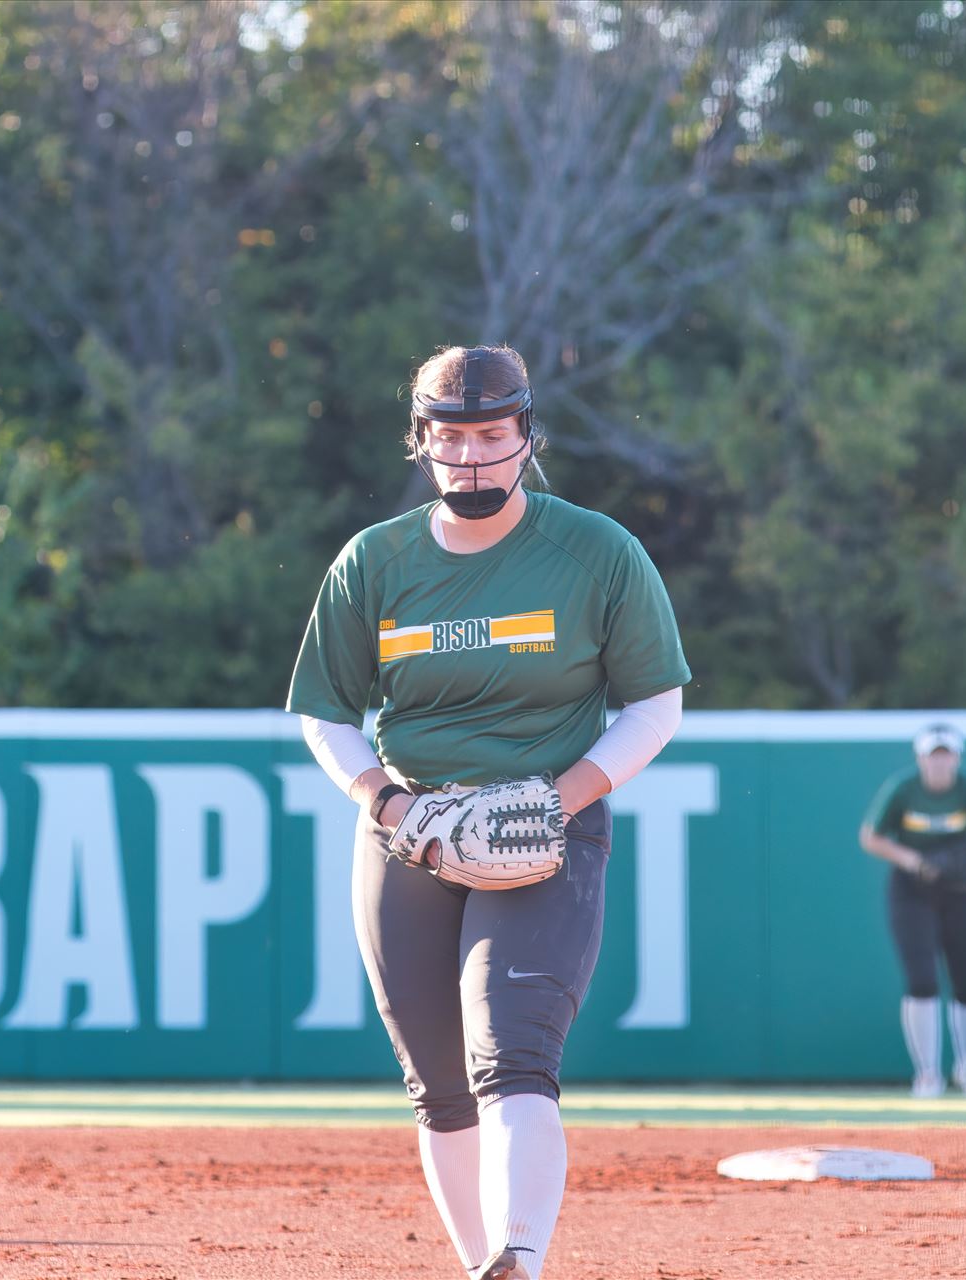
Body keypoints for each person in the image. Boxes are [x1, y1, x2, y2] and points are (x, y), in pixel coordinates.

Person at [286, 344, 691, 1280]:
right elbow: (325, 711)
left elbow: (654, 707)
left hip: (546, 831)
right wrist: (386, 802)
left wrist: (555, 801)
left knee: (514, 1056)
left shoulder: (595, 550)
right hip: (408, 835)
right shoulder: (373, 562)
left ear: (526, 438)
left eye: (491, 435)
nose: (471, 457)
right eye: (450, 437)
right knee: (438, 1086)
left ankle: (525, 1256)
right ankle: (484, 1267)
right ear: (420, 443)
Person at [859, 724, 966, 1098]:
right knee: (922, 981)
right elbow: (871, 836)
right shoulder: (903, 788)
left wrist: (964, 855)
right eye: (934, 756)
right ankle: (927, 1074)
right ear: (921, 759)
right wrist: (912, 860)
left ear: (957, 758)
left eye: (946, 755)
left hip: (959, 890)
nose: (940, 763)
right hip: (912, 891)